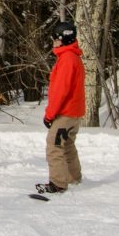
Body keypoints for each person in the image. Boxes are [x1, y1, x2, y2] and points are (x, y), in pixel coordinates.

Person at [36, 21, 85, 194]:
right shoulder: (73, 57)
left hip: (65, 113)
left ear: (62, 39)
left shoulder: (67, 59)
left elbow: (60, 91)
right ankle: (74, 177)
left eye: (55, 39)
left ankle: (58, 183)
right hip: (74, 113)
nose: (53, 42)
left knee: (54, 145)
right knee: (68, 144)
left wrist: (50, 115)